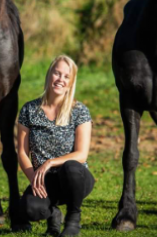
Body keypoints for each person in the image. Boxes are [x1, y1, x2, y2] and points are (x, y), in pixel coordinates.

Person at [17, 55, 94, 237]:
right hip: (45, 180)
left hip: (75, 178)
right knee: (30, 210)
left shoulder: (80, 111)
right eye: (56, 73)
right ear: (49, 75)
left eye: (66, 76)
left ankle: (73, 220)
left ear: (71, 82)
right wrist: (34, 178)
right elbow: (21, 151)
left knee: (71, 167)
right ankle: (53, 215)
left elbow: (81, 154)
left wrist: (50, 162)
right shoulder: (29, 110)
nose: (60, 79)